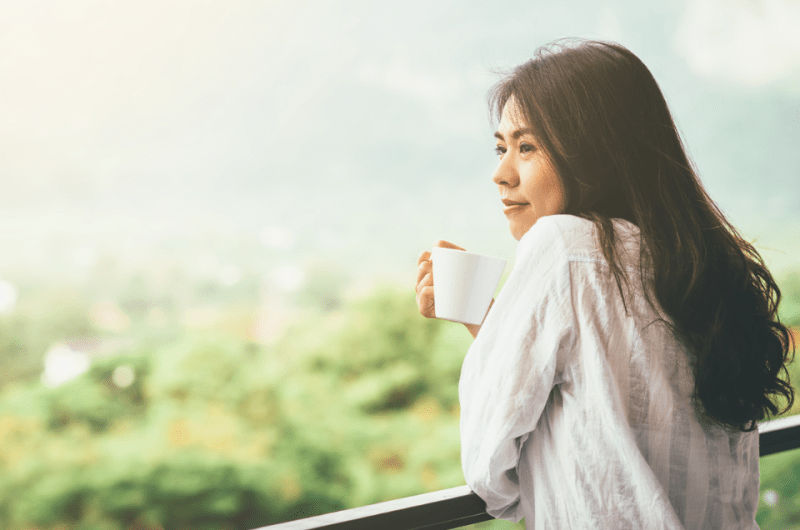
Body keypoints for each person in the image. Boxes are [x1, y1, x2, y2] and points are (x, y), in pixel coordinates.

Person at [414, 40, 794, 529]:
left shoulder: (565, 244)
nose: (500, 174)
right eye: (501, 147)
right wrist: (488, 322)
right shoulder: (703, 259)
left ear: (594, 151)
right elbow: (612, 399)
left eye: (526, 147)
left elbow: (491, 470)